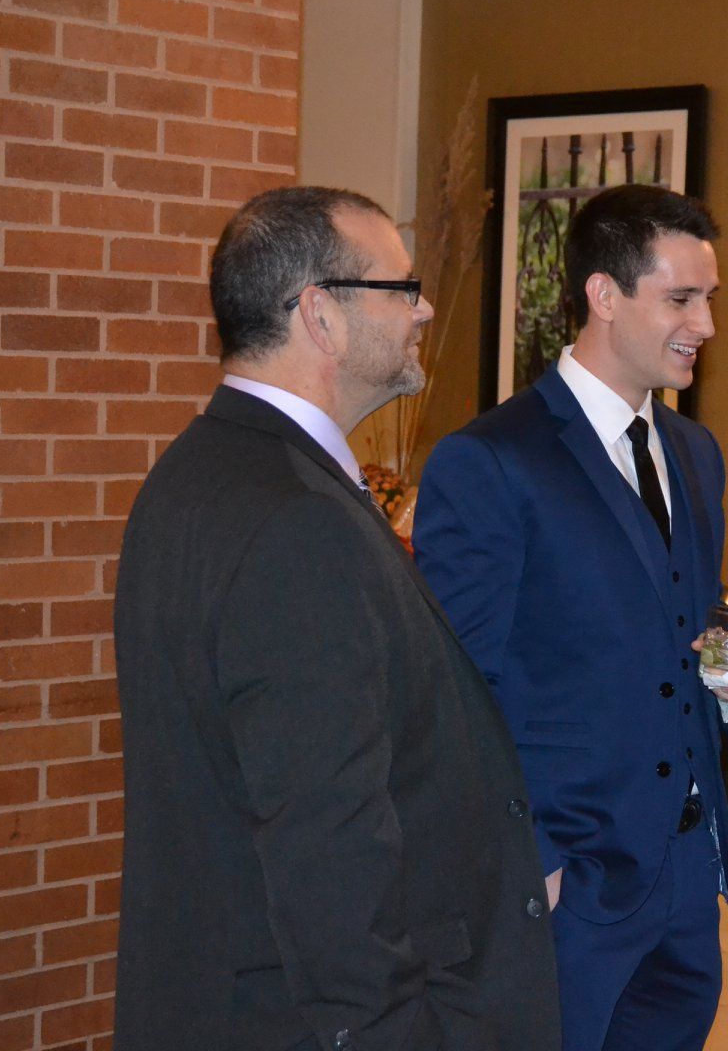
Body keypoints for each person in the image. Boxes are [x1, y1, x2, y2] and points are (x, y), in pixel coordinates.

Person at [113, 187, 558, 1051]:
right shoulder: (295, 519)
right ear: (321, 314)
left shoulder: (197, 472)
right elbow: (326, 841)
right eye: (402, 288)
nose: (425, 308)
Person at [413, 184, 728, 1051]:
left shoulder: (695, 453)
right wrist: (537, 866)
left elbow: (668, 643)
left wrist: (724, 687)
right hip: (569, 883)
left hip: (687, 878)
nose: (706, 325)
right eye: (681, 298)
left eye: (709, 299)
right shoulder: (490, 460)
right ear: (604, 296)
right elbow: (457, 692)